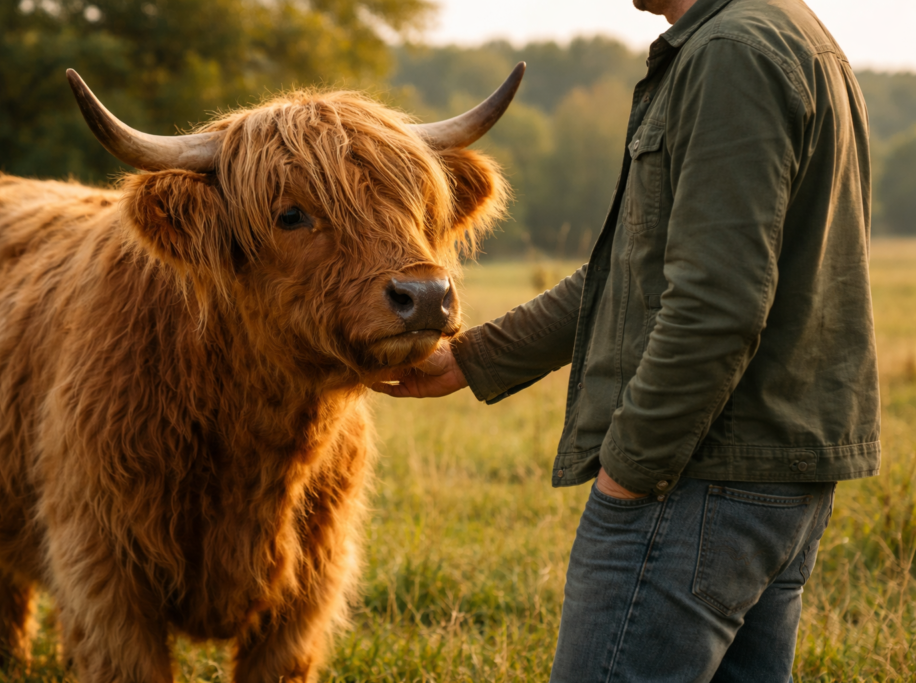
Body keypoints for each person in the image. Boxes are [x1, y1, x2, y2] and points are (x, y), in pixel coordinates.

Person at [371, 0, 880, 679]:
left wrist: (630, 476)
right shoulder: (786, 32)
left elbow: (716, 304)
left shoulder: (730, 53)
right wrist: (472, 356)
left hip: (698, 477)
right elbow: (628, 274)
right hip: (771, 472)